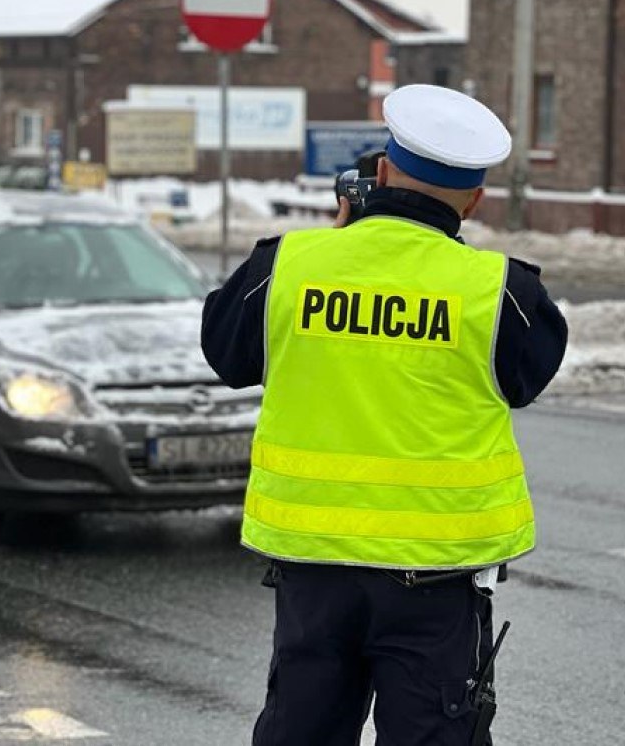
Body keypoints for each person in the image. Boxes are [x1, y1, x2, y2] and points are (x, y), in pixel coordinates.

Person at [201, 84, 568, 746]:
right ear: (474, 200)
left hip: (312, 576)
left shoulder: (285, 265)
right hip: (433, 583)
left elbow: (225, 352)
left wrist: (337, 246)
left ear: (380, 172)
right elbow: (528, 375)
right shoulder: (501, 291)